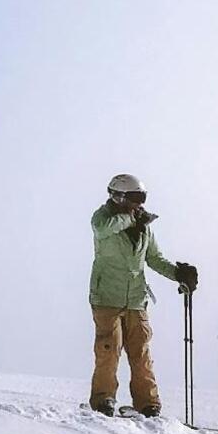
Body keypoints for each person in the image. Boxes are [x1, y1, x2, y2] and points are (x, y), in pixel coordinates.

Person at [89, 174, 197, 417]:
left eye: (142, 198)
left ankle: (148, 404)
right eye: (135, 198)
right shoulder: (103, 218)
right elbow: (102, 230)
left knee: (141, 352)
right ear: (118, 196)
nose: (140, 204)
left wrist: (178, 274)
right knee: (109, 348)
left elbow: (155, 259)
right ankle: (103, 399)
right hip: (107, 296)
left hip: (136, 299)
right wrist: (130, 219)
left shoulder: (143, 228)